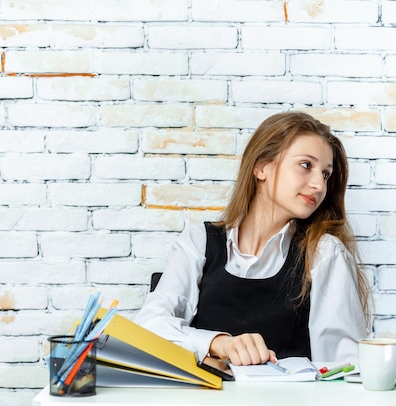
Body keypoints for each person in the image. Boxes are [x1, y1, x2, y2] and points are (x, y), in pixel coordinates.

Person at [134, 111, 370, 366]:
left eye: (325, 174)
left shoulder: (324, 254)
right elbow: (147, 327)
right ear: (261, 167)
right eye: (306, 165)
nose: (319, 185)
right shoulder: (199, 242)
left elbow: (343, 368)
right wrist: (219, 343)